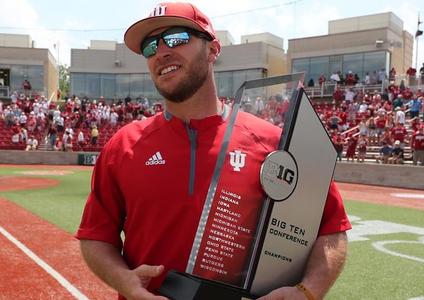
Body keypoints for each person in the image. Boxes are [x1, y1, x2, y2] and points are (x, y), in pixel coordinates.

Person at [76, 3, 351, 300]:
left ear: (212, 50)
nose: (161, 52)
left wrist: (307, 292)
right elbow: (95, 236)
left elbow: (331, 227)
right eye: (150, 46)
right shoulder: (123, 146)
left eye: (176, 38)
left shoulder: (275, 143)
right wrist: (125, 282)